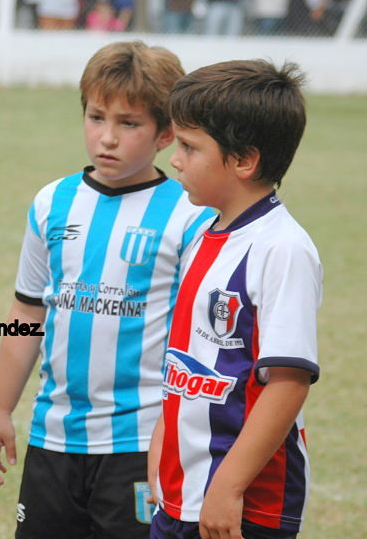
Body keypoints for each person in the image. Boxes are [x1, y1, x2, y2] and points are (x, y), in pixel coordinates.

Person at [0, 41, 215, 537]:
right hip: (55, 436)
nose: (106, 137)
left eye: (129, 123)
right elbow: (27, 313)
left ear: (166, 134)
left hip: (141, 441)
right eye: (96, 117)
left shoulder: (189, 214)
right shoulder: (52, 202)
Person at [149, 59, 321, 538]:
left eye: (189, 146)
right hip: (181, 491)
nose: (176, 160)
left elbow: (288, 382)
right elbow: (186, 359)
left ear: (244, 160)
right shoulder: (203, 233)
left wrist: (227, 487)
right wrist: (162, 445)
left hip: (244, 504)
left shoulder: (282, 249)